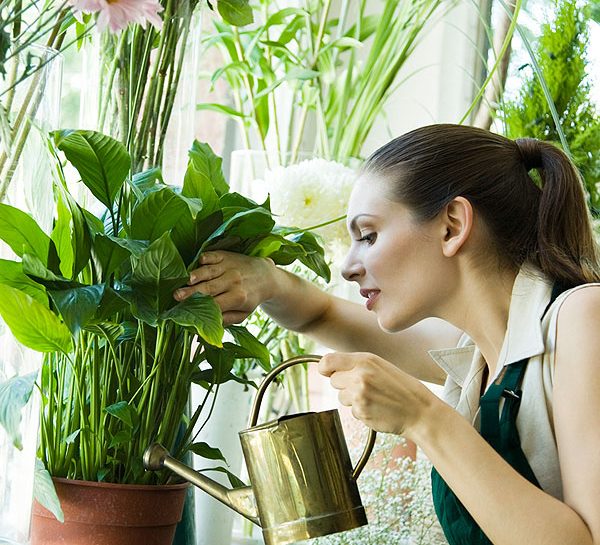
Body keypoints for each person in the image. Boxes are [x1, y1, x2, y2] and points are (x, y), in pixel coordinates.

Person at [174, 124, 600, 545]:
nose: (348, 267)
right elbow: (322, 314)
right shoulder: (476, 354)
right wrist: (263, 280)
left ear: (452, 226)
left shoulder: (582, 319)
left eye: (369, 235)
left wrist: (423, 418)